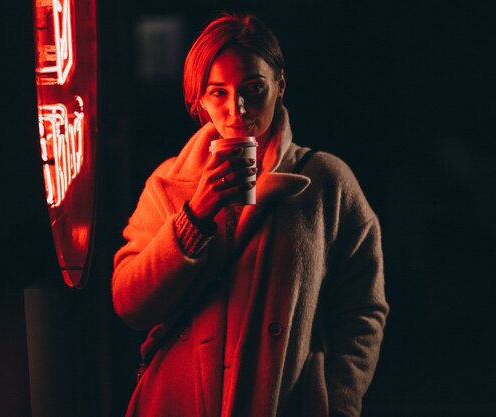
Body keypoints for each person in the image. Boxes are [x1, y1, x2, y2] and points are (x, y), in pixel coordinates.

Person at [112, 12, 389, 417]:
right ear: (200, 102)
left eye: (253, 89)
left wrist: (337, 402)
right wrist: (196, 215)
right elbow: (130, 305)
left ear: (280, 84)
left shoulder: (326, 181)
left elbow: (363, 310)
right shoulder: (169, 184)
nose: (236, 109)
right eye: (217, 93)